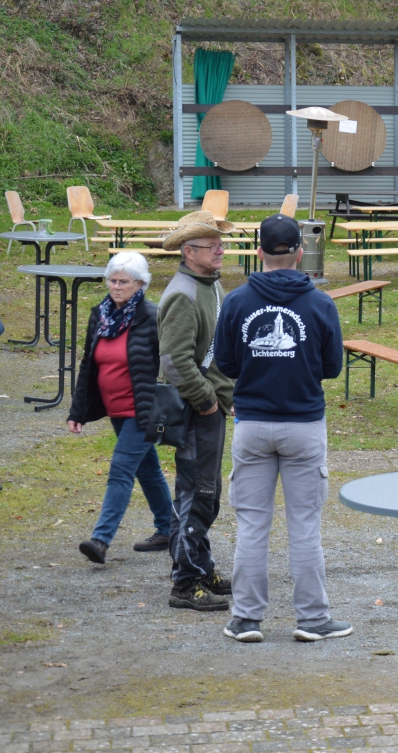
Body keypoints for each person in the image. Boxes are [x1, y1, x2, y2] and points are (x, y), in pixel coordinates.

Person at [213, 214, 349, 643]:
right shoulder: (321, 304)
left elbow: (225, 363)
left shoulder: (236, 301)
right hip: (304, 424)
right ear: (300, 253)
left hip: (252, 423)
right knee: (304, 525)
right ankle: (312, 619)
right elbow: (332, 367)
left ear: (258, 252)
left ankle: (245, 618)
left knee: (252, 525)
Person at [67, 252, 173, 563]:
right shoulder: (99, 317)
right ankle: (169, 528)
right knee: (148, 470)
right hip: (115, 409)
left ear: (140, 284)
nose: (116, 286)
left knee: (121, 470)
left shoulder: (152, 316)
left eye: (123, 281)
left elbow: (170, 363)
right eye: (112, 280)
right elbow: (88, 366)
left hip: (143, 411)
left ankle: (100, 540)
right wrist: (78, 411)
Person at [158, 210, 237, 612]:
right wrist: (207, 400)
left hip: (211, 407)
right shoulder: (183, 294)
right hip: (195, 411)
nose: (220, 250)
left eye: (220, 243)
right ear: (189, 252)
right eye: (211, 245)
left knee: (206, 492)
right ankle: (186, 583)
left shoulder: (209, 284)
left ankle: (200, 567)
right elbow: (174, 362)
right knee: (196, 493)